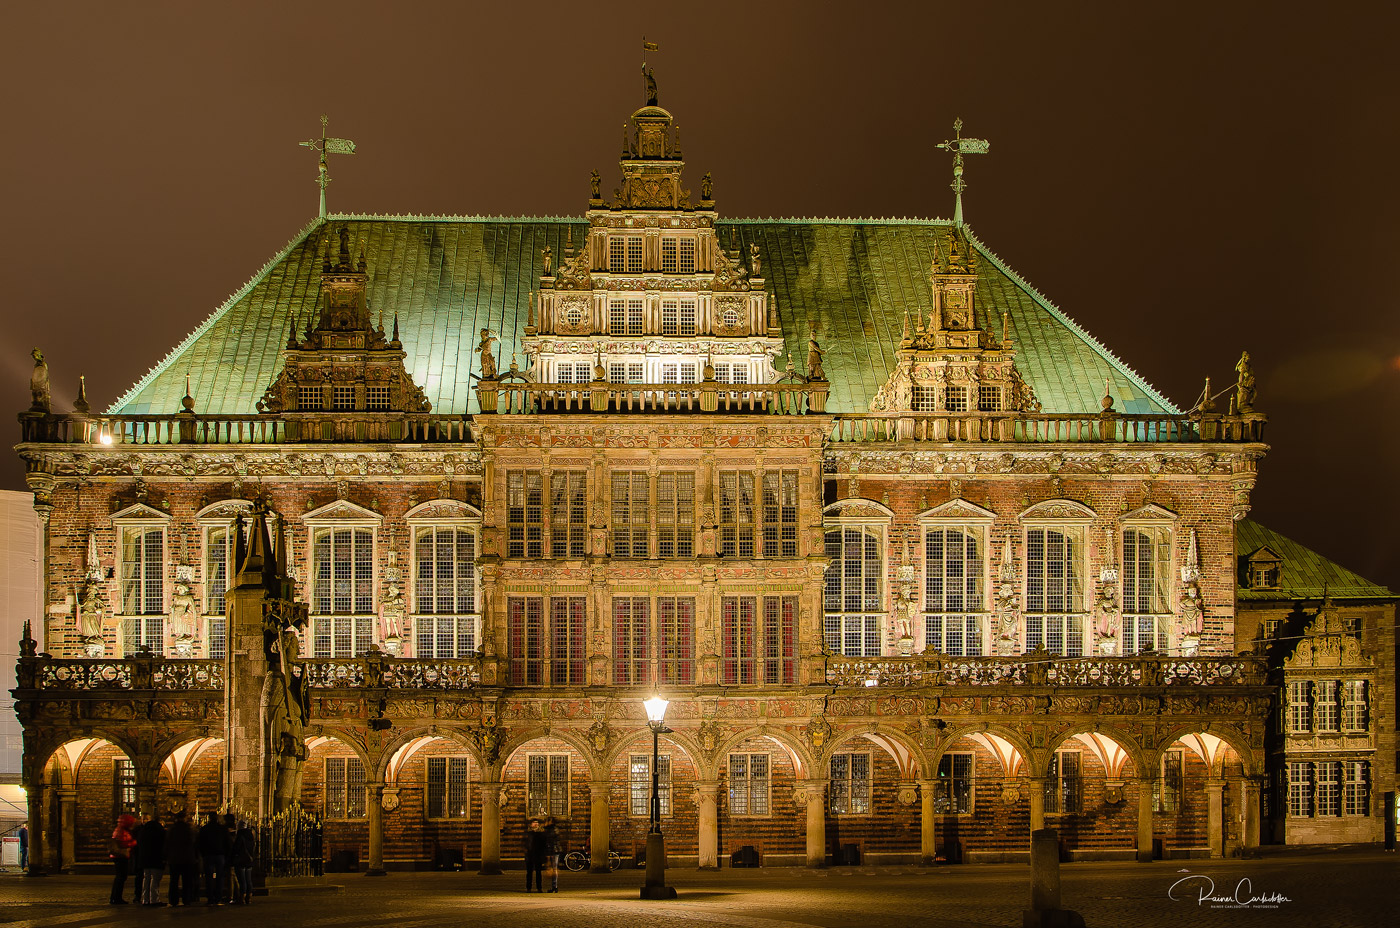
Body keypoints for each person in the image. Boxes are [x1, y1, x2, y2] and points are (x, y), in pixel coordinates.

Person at [165, 809, 198, 906]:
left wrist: (167, 856)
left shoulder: (171, 830)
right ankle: (186, 899)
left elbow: (167, 844)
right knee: (187, 880)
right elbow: (194, 843)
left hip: (174, 859)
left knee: (174, 880)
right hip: (187, 858)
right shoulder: (189, 830)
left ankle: (173, 900)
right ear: (185, 818)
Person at [197, 812, 227, 905]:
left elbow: (199, 843)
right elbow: (227, 842)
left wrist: (203, 853)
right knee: (219, 877)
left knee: (209, 877)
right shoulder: (222, 829)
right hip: (219, 855)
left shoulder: (204, 829)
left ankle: (210, 898)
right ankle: (218, 898)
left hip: (208, 855)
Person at [136, 811, 166, 905]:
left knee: (147, 878)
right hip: (156, 858)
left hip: (144, 858)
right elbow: (163, 845)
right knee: (155, 879)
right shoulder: (160, 831)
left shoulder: (143, 831)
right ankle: (154, 899)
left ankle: (145, 899)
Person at [108, 813, 137, 904]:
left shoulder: (119, 829)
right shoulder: (122, 831)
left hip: (119, 856)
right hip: (121, 856)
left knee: (120, 877)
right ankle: (116, 898)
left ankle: (115, 897)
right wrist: (134, 843)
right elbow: (124, 843)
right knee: (121, 877)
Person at [231, 818, 256, 905]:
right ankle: (249, 897)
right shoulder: (251, 836)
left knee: (242, 881)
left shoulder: (240, 836)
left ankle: (242, 897)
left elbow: (236, 849)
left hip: (241, 860)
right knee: (248, 880)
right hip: (249, 861)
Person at [523, 818, 545, 893]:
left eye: (536, 823)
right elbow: (525, 843)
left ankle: (539, 887)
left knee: (538, 872)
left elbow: (543, 845)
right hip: (530, 855)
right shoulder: (528, 833)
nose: (535, 824)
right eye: (534, 823)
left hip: (538, 855)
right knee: (529, 873)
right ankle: (528, 888)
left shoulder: (541, 833)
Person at [543, 816, 561, 893]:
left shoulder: (549, 830)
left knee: (553, 868)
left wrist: (548, 853)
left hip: (552, 851)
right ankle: (555, 886)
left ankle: (554, 886)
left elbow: (549, 842)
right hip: (556, 850)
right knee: (555, 868)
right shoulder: (556, 829)